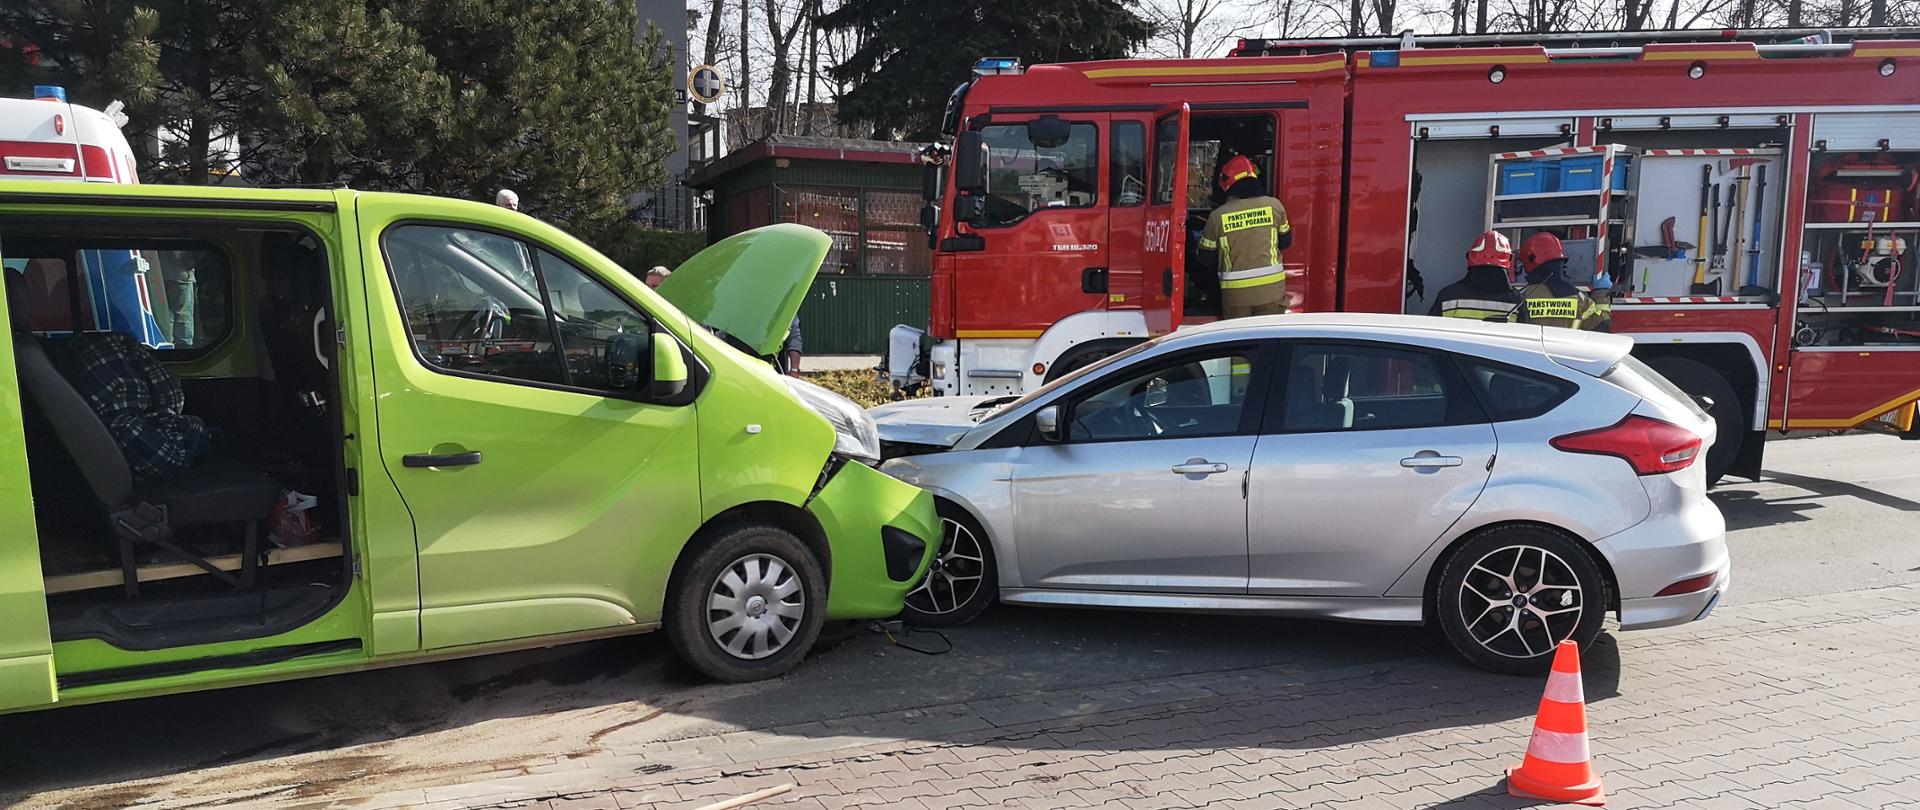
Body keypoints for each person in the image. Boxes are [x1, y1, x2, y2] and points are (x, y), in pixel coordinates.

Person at [1197, 155, 1292, 318]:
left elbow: (1205, 259)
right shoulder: (1275, 206)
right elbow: (1286, 242)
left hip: (1236, 297)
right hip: (1272, 293)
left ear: (1227, 183)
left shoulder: (1218, 216)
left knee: (1240, 334)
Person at [1509, 232, 1611, 332]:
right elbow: (1602, 326)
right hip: (1568, 344)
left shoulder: (1521, 298)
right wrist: (1601, 292)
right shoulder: (1580, 299)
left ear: (1530, 261)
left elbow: (1508, 331)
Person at [1429, 230, 1522, 321]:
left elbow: (1430, 328)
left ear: (1469, 256)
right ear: (1509, 259)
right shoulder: (1516, 301)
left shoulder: (1447, 296)